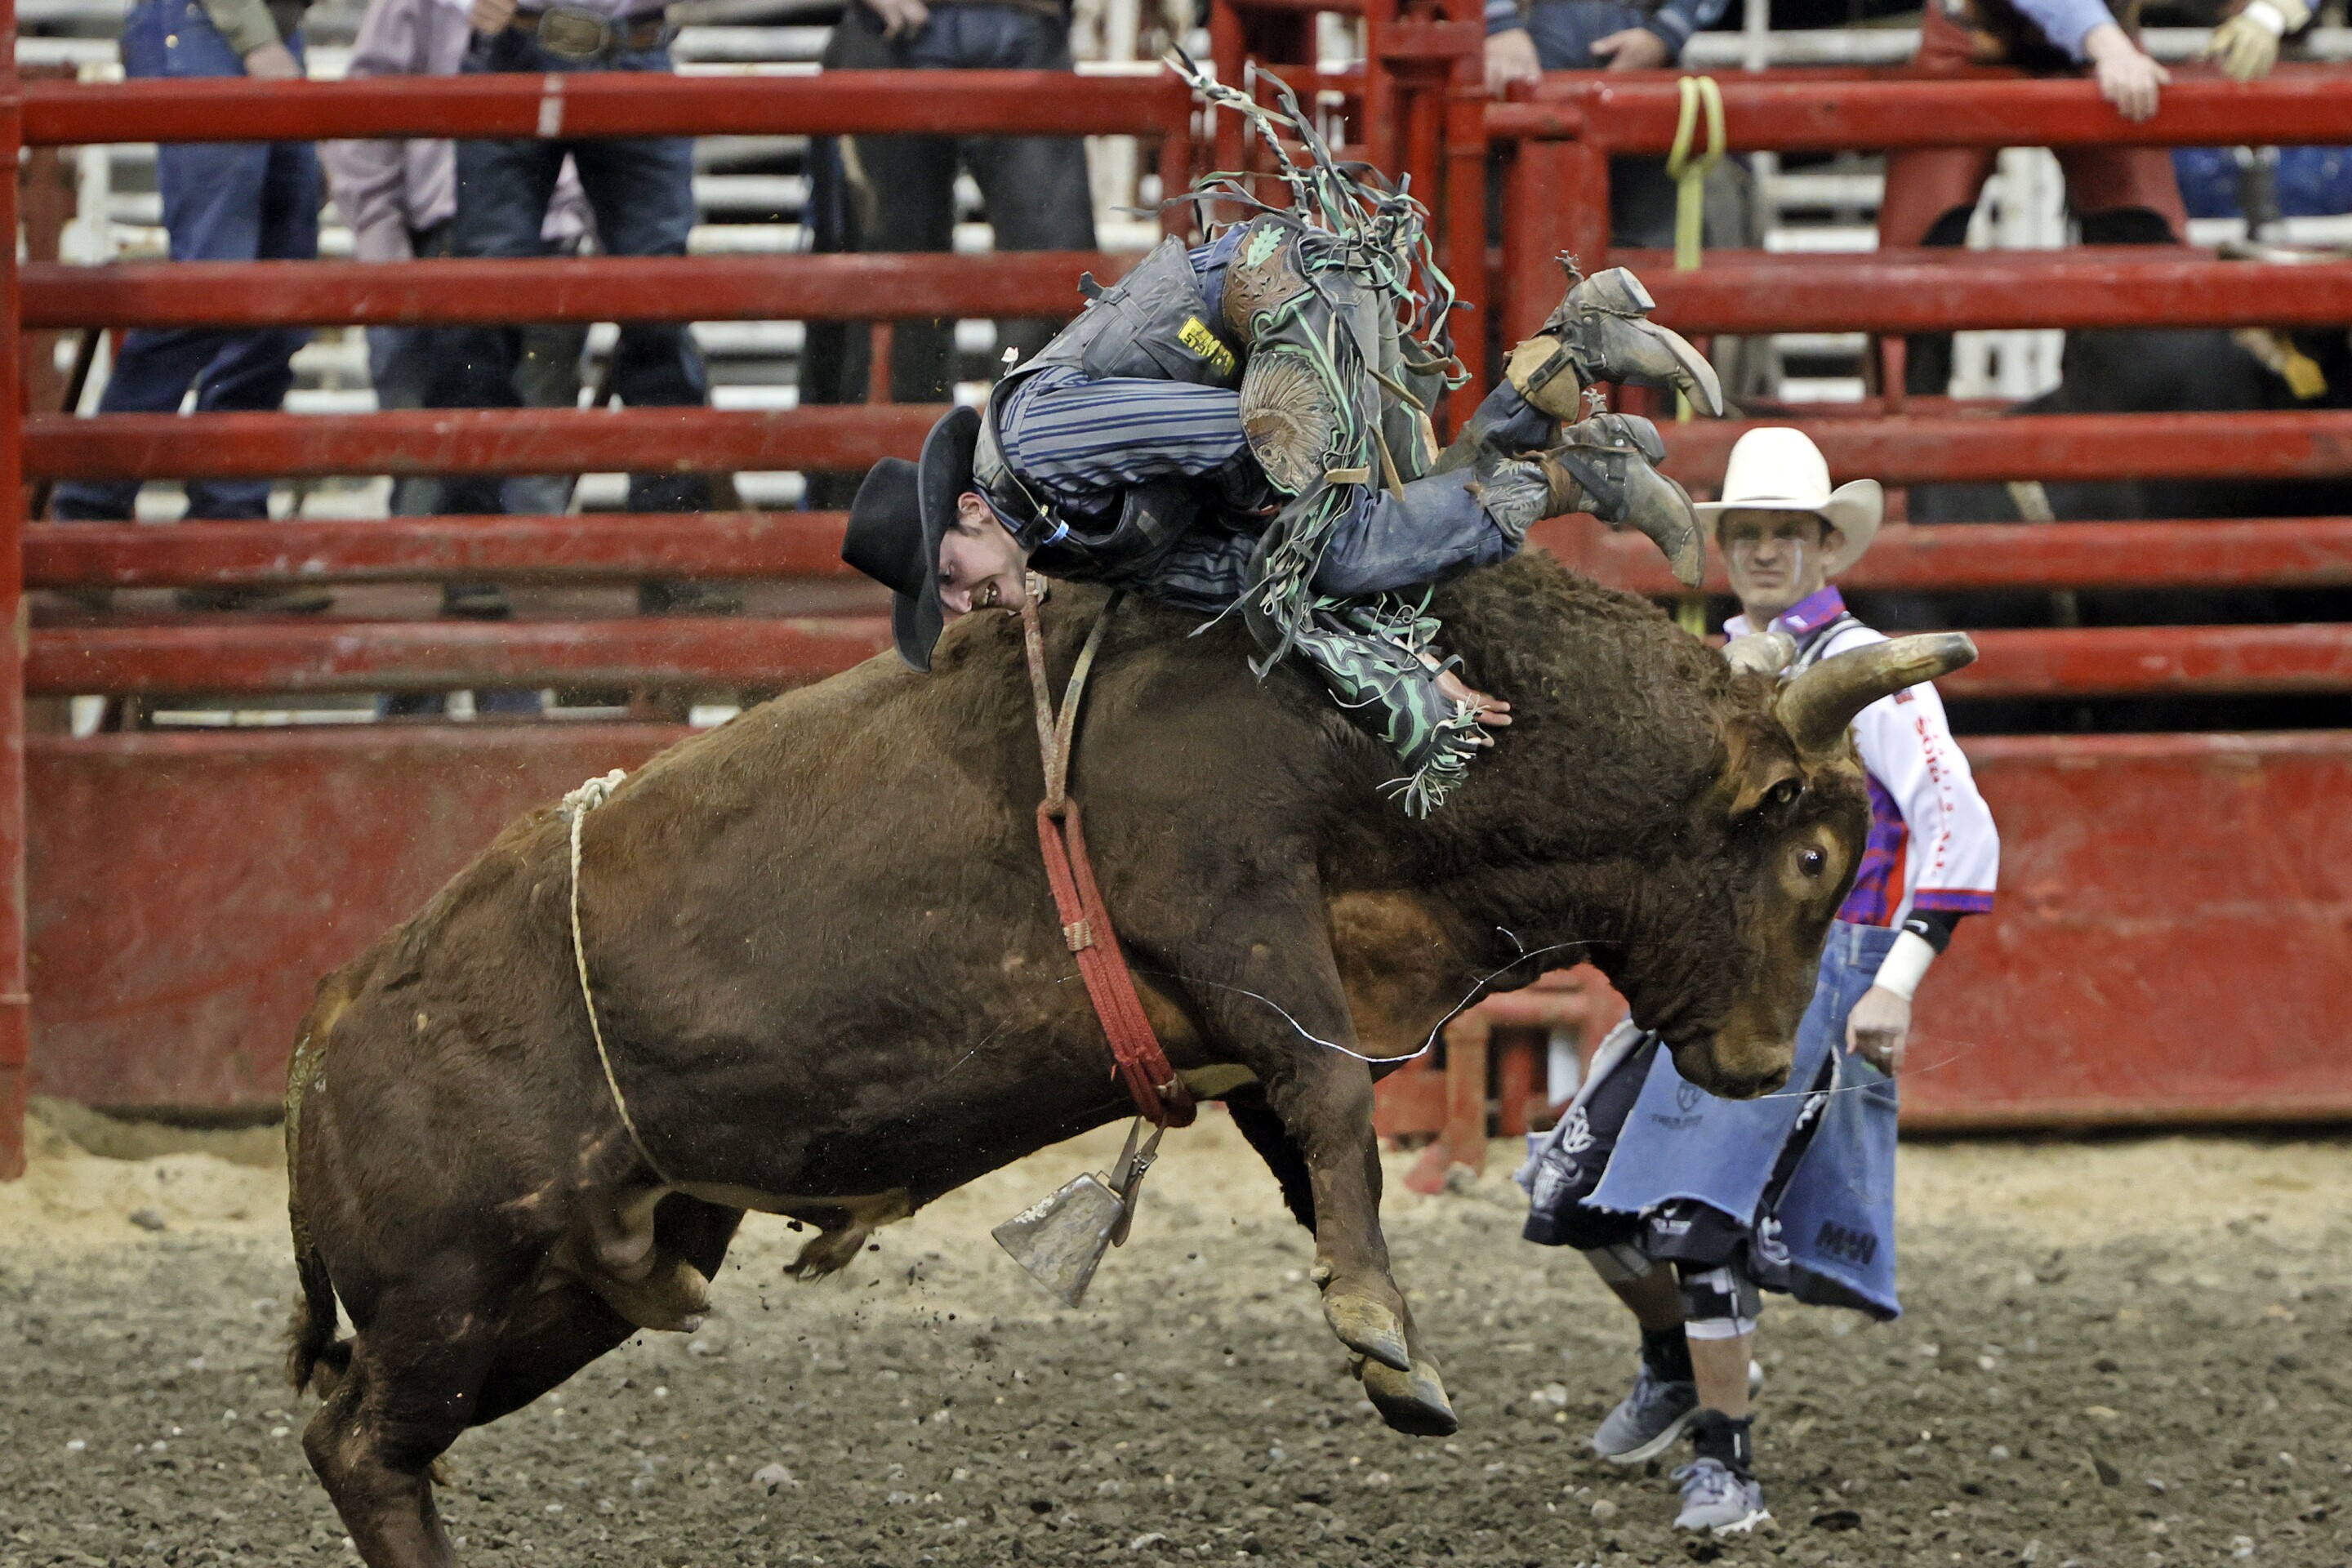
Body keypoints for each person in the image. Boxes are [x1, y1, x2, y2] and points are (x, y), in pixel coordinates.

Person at [838, 73, 1722, 813]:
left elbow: (1241, 435)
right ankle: (1569, 355)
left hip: (1287, 298)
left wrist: (1311, 537)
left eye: (948, 575)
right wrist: (1403, 667)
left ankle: (1580, 474)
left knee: (1347, 536)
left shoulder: (1036, 443)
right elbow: (1252, 580)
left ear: (968, 509)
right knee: (1376, 540)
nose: (964, 604)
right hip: (1293, 349)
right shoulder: (1075, 549)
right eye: (946, 602)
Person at [1516, 426, 2000, 1535]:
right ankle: (1675, 1365)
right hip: (1704, 975)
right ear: (1730, 547)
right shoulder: (1708, 666)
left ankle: (1727, 1465)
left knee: (1699, 1215)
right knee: (1574, 1202)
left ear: (1826, 549)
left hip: (1815, 972)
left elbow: (1955, 824)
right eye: (1751, 534)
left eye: (1791, 533)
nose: (1770, 551)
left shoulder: (1866, 670)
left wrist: (1899, 978)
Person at [428, 0, 734, 615]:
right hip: (559, 45)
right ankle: (475, 545)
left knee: (656, 305)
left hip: (613, 45)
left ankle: (666, 552)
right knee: (492, 303)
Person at [322, 0, 595, 626]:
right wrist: (387, 249)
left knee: (515, 477)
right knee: (446, 476)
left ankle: (466, 691)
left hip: (523, 241)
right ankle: (445, 691)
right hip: (448, 246)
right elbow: (369, 109)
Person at [51, 0, 324, 612]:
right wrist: (257, 40)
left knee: (274, 285)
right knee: (215, 282)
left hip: (255, 28)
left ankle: (221, 530)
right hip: (222, 23)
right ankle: (95, 515)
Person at [800, 0, 1098, 415]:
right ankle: (906, 469)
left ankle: (1021, 459)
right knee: (892, 290)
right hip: (901, 28)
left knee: (1055, 276)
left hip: (1016, 24)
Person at [1882, 0, 2185, 394]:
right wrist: (2108, 44)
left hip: (2101, 37)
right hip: (1981, 35)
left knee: (2150, 248)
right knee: (1915, 256)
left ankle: (2139, 415)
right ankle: (1903, 427)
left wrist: (2269, 14)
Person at [1481, 0, 1732, 248]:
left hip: (1639, 54)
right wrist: (1497, 22)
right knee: (1516, 234)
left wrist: (1667, 32)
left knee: (1652, 242)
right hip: (1526, 46)